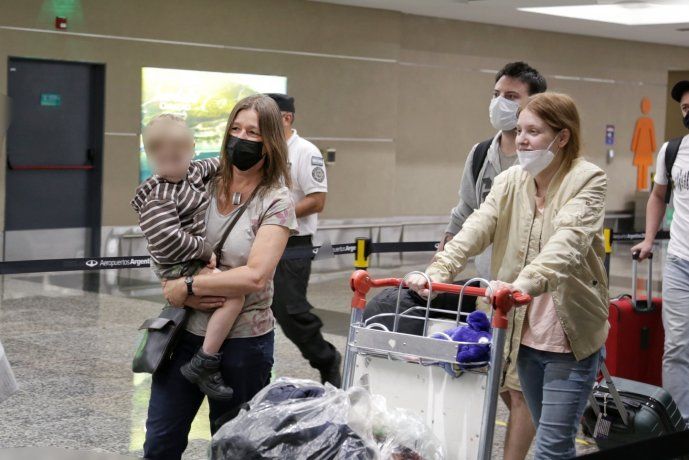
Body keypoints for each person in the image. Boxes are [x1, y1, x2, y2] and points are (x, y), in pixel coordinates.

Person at [408, 93, 609, 460]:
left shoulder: (587, 179)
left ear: (562, 137)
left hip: (569, 336)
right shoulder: (510, 180)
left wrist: (521, 286)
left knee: (551, 447)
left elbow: (566, 245)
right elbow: (475, 228)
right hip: (520, 332)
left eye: (534, 131)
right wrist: (436, 271)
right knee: (536, 422)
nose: (522, 140)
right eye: (519, 131)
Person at [367, 61, 547, 460]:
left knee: (519, 385)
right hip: (488, 287)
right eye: (497, 94)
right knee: (498, 377)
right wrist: (442, 260)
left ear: (536, 104)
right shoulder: (483, 152)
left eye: (512, 97)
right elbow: (466, 210)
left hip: (526, 290)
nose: (501, 103)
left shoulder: (539, 159)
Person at [144, 94, 298, 459]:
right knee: (159, 443)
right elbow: (161, 238)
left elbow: (255, 277)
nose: (240, 138)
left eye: (253, 132)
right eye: (235, 128)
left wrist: (190, 286)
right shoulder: (200, 182)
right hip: (184, 336)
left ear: (271, 141)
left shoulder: (276, 200)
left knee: (234, 449)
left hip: (244, 343)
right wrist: (171, 285)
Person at [132, 114, 244, 401]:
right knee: (234, 296)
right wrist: (204, 250)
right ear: (150, 155)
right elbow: (167, 239)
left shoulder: (193, 172)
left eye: (178, 155)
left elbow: (217, 164)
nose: (172, 164)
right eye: (162, 156)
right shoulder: (158, 195)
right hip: (178, 264)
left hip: (191, 259)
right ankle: (205, 361)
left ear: (192, 149)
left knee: (225, 295)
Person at [266, 93, 342, 387]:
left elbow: (317, 201)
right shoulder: (264, 150)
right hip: (258, 239)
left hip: (293, 243)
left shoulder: (305, 152)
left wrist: (275, 215)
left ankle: (325, 357)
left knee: (289, 310)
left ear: (286, 118)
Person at [632, 80, 689, 423]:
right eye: (684, 108)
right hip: (680, 261)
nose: (688, 112)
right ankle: (681, 423)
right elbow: (658, 195)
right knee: (677, 345)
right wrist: (650, 239)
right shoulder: (671, 150)